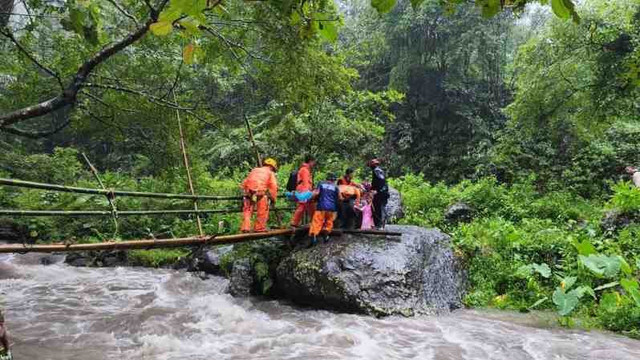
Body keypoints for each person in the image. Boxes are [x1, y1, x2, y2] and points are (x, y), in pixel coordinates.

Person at [240, 158, 278, 233]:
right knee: (263, 210)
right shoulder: (270, 173)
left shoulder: (254, 170)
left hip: (249, 192)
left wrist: (245, 192)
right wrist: (273, 199)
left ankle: (245, 227)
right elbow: (273, 187)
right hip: (260, 192)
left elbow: (245, 182)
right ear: (272, 167)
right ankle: (259, 228)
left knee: (247, 210)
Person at [309, 173, 341, 245]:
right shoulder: (336, 187)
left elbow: (316, 193)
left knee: (317, 221)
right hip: (331, 208)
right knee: (329, 222)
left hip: (321, 207)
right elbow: (340, 197)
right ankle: (326, 236)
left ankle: (314, 237)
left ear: (327, 178)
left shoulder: (321, 184)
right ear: (334, 180)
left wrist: (311, 198)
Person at [291, 155, 317, 227]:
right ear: (310, 161)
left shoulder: (306, 170)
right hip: (303, 190)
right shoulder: (304, 170)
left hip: (305, 190)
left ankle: (314, 222)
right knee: (302, 206)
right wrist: (307, 194)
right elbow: (305, 182)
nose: (314, 164)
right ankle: (294, 223)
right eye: (313, 162)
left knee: (311, 206)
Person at [368, 158, 389, 229]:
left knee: (378, 208)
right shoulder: (378, 170)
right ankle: (379, 224)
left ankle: (379, 224)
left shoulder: (377, 170)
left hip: (381, 193)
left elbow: (381, 181)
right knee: (379, 207)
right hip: (382, 192)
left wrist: (377, 190)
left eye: (371, 165)